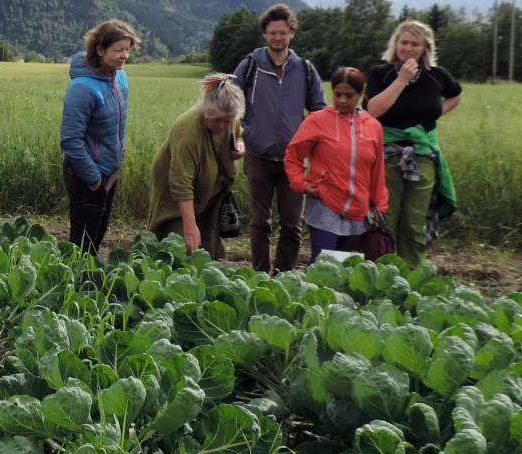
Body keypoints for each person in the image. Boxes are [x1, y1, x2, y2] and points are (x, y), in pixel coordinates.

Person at [231, 4, 327, 274]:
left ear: (291, 34)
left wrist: (307, 140)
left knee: (291, 225)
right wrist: (238, 138)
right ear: (265, 34)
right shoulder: (250, 66)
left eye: (282, 33)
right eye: (273, 33)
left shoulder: (305, 70)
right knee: (260, 222)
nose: (277, 38)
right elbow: (231, 105)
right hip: (257, 155)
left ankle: (283, 277)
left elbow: (319, 109)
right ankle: (261, 275)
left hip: (292, 160)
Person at [365, 20, 462, 267]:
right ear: (395, 44)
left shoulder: (436, 75)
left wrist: (435, 113)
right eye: (404, 42)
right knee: (388, 217)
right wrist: (402, 79)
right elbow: (373, 110)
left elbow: (456, 94)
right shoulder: (380, 73)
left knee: (414, 221)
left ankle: (411, 275)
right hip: (388, 155)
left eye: (415, 44)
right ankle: (384, 272)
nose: (408, 48)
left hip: (422, 155)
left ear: (425, 48)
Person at [284, 67, 389, 262]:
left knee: (341, 264)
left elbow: (376, 171)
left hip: (358, 209)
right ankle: (309, 293)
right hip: (325, 203)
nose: (342, 100)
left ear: (361, 94)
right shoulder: (317, 120)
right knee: (322, 263)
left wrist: (378, 206)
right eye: (337, 94)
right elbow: (293, 154)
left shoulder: (373, 127)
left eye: (349, 96)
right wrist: (301, 183)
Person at [61, 20, 138, 257]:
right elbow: (70, 141)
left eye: (127, 49)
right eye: (118, 50)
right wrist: (94, 180)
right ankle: (72, 287)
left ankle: (87, 283)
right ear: (100, 50)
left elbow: (118, 123)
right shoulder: (82, 88)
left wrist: (118, 158)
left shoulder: (119, 75)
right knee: (81, 244)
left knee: (97, 236)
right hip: (88, 175)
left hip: (110, 170)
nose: (124, 56)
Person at [147, 74, 245, 259]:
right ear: (204, 111)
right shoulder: (187, 130)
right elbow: (181, 183)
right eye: (217, 120)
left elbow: (238, 133)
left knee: (205, 239)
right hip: (175, 192)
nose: (223, 126)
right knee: (176, 242)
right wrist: (190, 227)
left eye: (228, 121)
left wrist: (240, 145)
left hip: (208, 190)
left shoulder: (231, 118)